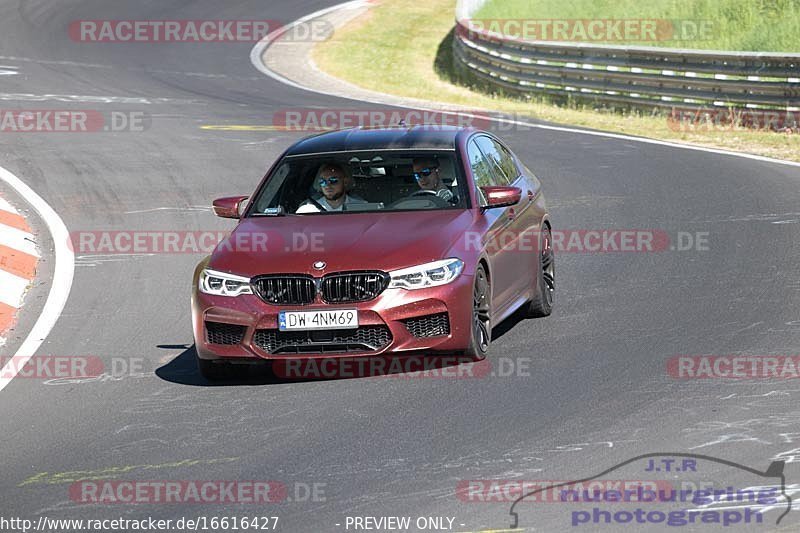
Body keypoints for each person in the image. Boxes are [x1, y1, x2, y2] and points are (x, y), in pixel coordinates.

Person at [296, 162, 366, 213]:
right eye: (322, 181)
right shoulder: (307, 211)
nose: (327, 186)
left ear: (345, 182)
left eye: (333, 180)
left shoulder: (363, 208)